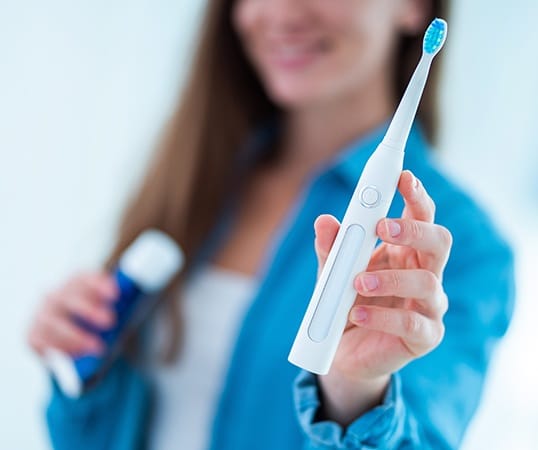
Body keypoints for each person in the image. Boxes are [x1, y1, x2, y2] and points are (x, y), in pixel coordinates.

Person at [27, 0, 515, 449]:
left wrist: (354, 391)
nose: (280, 12)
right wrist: (82, 368)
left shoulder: (461, 248)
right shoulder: (193, 182)